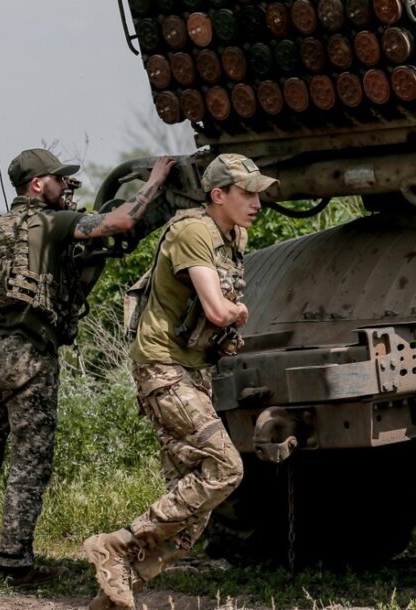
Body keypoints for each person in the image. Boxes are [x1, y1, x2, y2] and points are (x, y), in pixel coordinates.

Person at [0, 148, 175, 587]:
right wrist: (154, 180)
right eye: (59, 179)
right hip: (29, 355)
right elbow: (122, 222)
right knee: (29, 461)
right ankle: (15, 564)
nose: (65, 185)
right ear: (37, 185)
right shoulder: (50, 222)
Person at [82, 153, 278, 609]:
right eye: (247, 193)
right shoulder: (192, 231)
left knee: (191, 512)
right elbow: (216, 308)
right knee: (225, 468)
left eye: (258, 193)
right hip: (163, 368)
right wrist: (239, 313)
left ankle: (114, 590)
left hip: (191, 369)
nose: (257, 202)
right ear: (218, 195)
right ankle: (116, 546)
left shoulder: (233, 235)